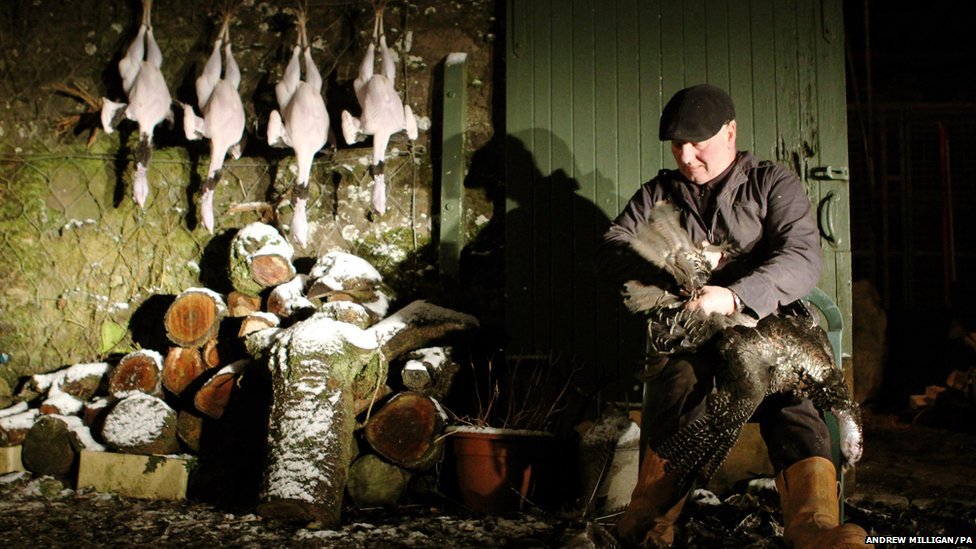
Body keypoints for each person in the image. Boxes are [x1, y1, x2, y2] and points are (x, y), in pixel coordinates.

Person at [597, 84, 870, 548]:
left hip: (772, 332)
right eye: (677, 145)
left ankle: (813, 528)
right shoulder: (659, 193)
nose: (687, 155)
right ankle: (650, 522)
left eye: (697, 144)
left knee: (794, 403)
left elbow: (802, 257)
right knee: (680, 386)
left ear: (730, 132)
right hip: (698, 339)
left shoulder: (770, 182)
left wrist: (736, 293)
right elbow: (614, 245)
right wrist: (670, 264)